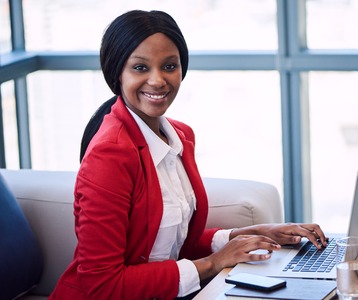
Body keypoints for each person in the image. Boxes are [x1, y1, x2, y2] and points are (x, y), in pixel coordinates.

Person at [50, 10, 328, 300]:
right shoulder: (110, 155)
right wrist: (213, 263)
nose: (158, 81)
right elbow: (103, 285)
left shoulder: (180, 137)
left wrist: (249, 234)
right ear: (116, 72)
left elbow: (172, 246)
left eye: (169, 66)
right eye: (141, 68)